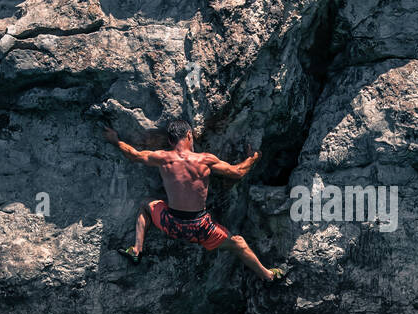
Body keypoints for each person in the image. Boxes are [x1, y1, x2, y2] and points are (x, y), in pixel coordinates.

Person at [101, 120, 285, 281]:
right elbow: (238, 172)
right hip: (200, 228)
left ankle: (137, 249)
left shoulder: (163, 158)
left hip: (171, 224)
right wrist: (253, 158)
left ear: (171, 140)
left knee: (146, 204)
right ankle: (266, 274)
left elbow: (134, 154)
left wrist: (115, 140)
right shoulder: (204, 160)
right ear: (189, 135)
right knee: (238, 243)